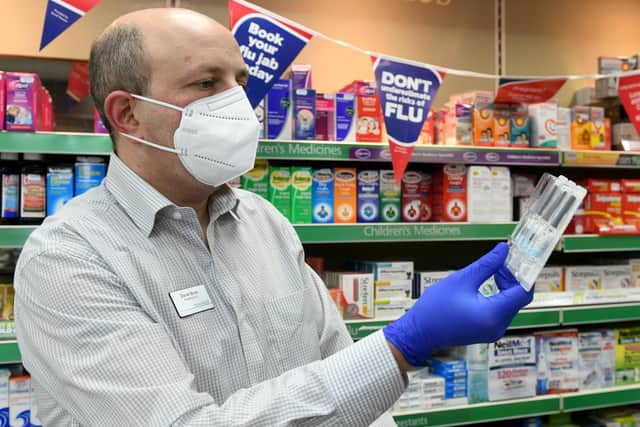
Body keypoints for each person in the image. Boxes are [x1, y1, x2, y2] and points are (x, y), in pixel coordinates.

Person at [13, 8, 533, 427]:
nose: (239, 103)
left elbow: (338, 376)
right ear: (128, 113)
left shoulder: (265, 223)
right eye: (205, 83)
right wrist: (401, 346)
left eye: (239, 81)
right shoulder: (69, 259)